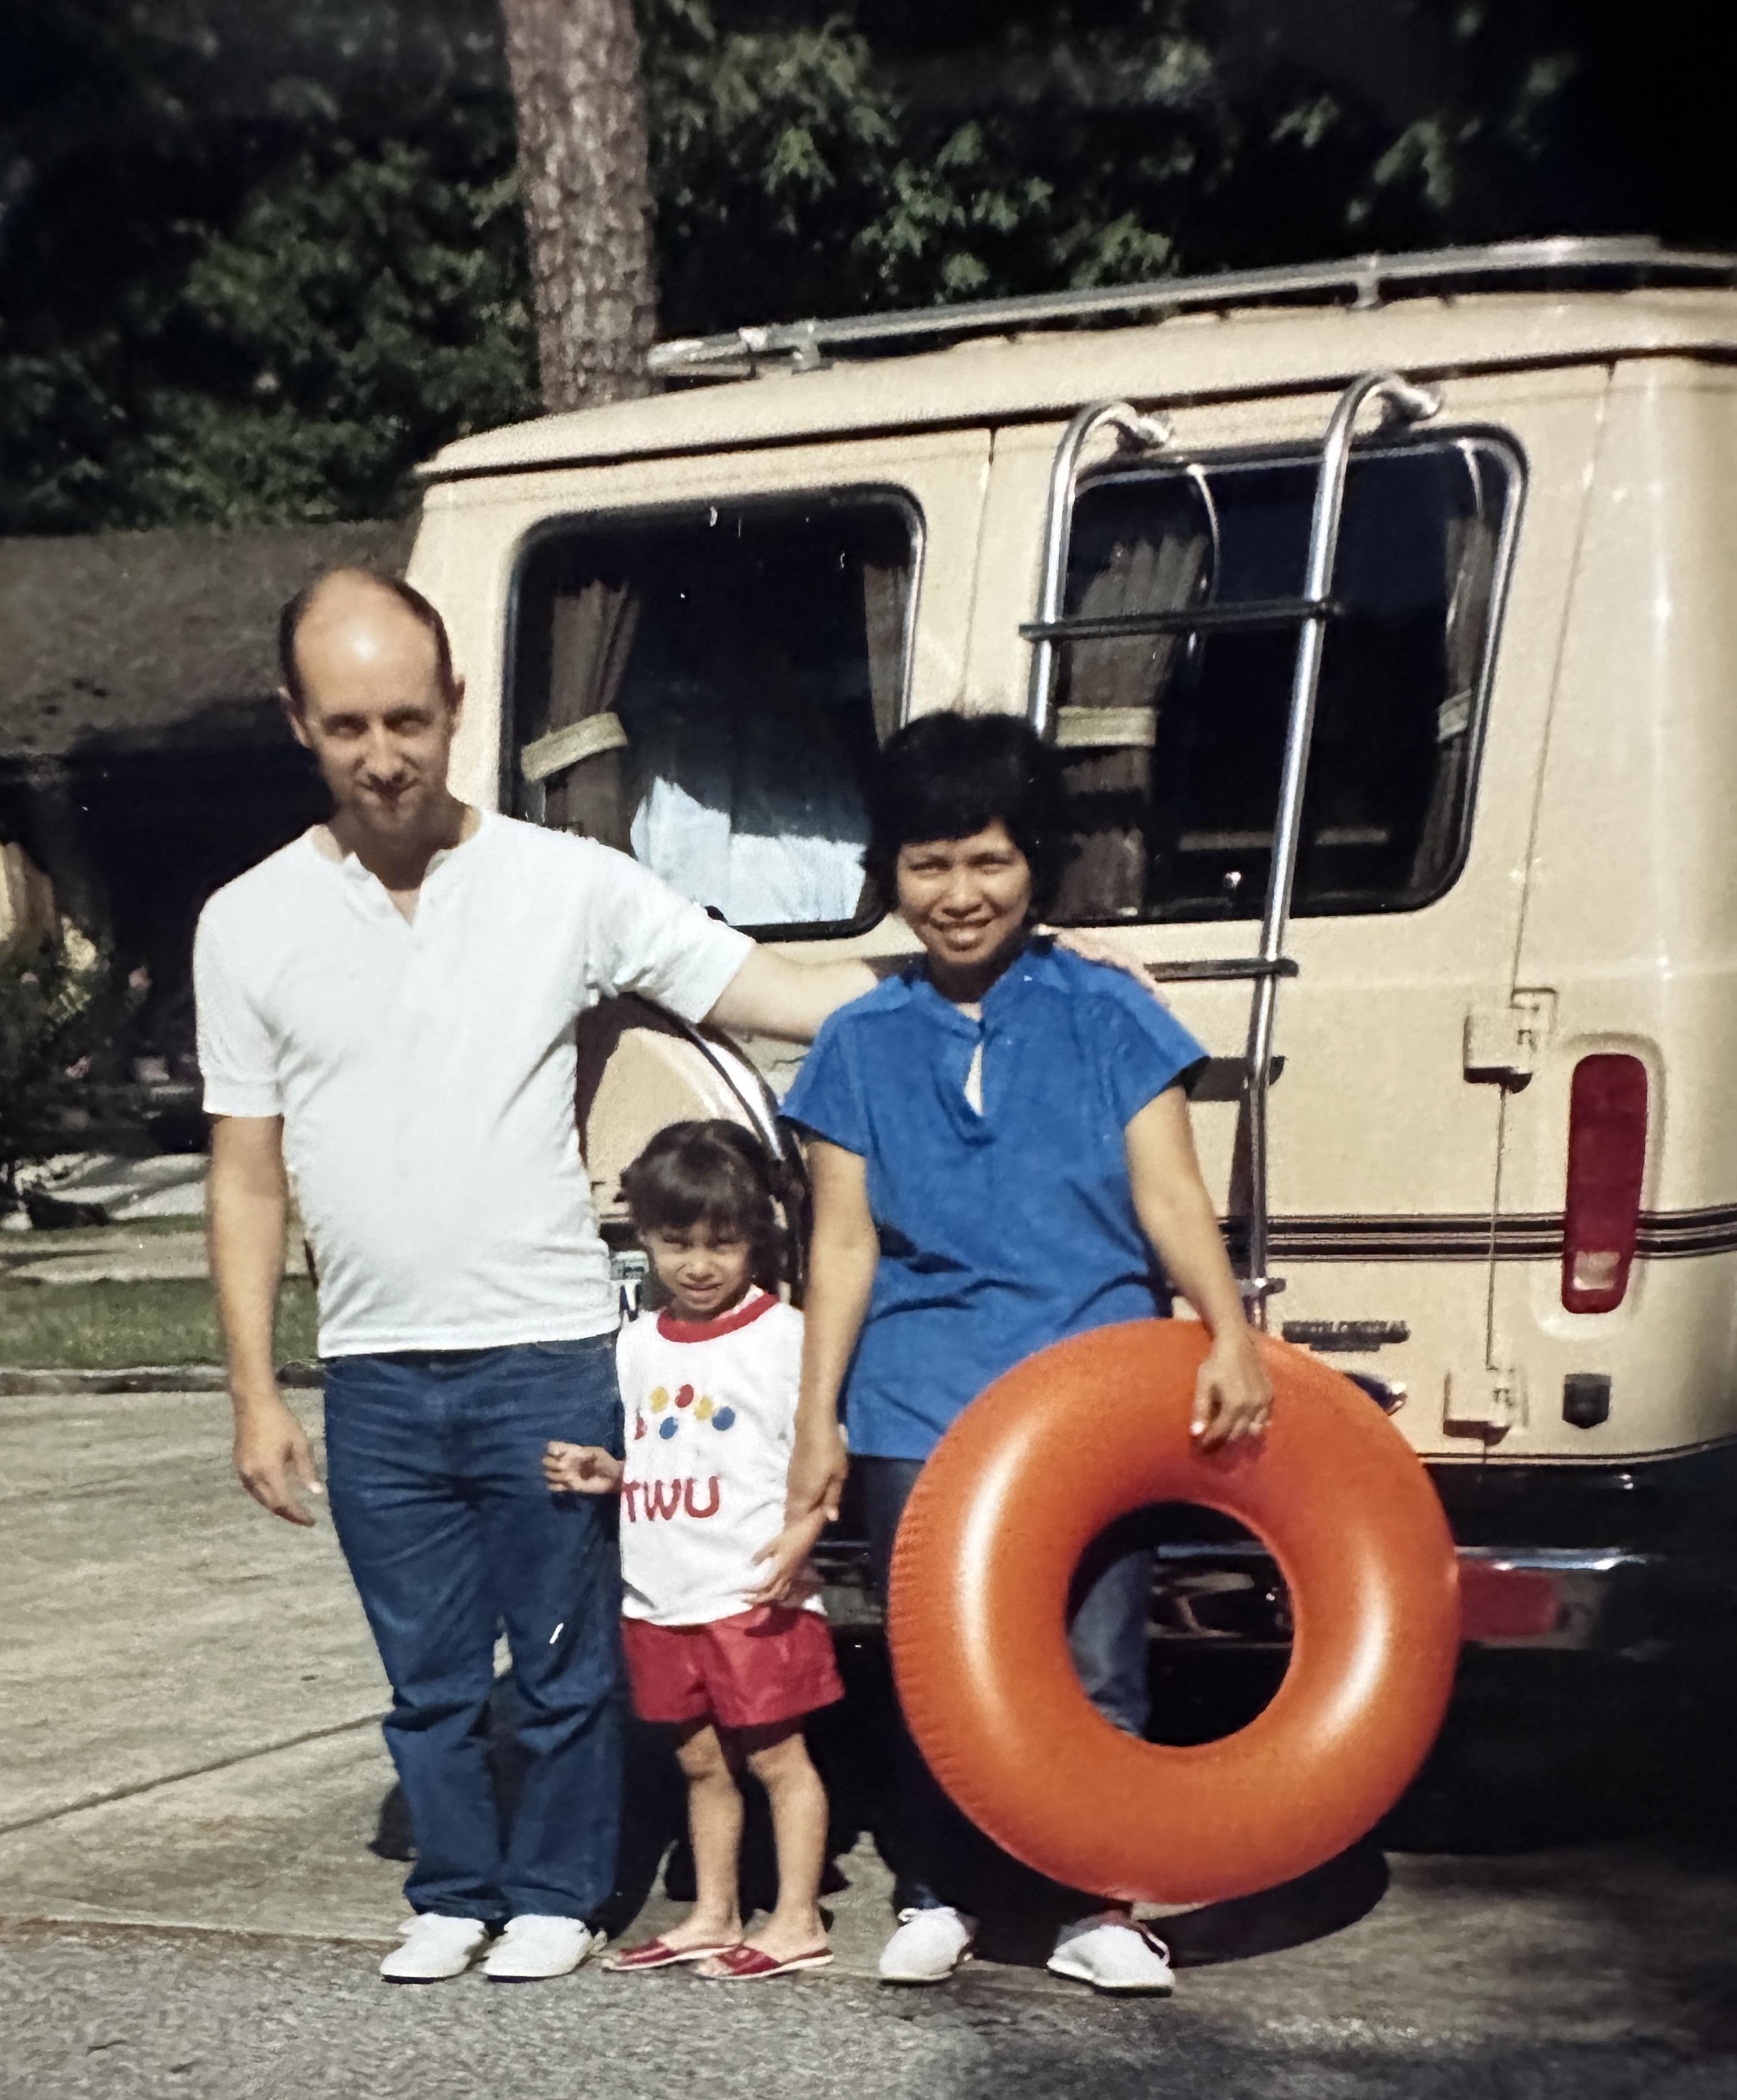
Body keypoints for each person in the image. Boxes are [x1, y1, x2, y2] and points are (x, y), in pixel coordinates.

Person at [195, 571, 905, 1984]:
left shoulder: (562, 882)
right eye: (347, 725)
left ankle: (559, 1898)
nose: (384, 753)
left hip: (545, 1351)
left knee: (572, 1663)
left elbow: (759, 987)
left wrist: (973, 972)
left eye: (409, 716)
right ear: (298, 723)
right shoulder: (247, 920)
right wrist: (255, 1390)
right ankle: (454, 1888)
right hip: (381, 1368)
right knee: (434, 1677)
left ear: (458, 706)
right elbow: (245, 1173)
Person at [780, 711, 1274, 1995]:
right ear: (889, 871)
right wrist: (815, 1416)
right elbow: (840, 1245)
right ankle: (939, 1888)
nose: (960, 894)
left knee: (1098, 1660)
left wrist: (1228, 1329)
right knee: (940, 1669)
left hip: (1093, 1393)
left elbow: (1171, 1194)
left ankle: (1094, 1900)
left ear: (1037, 861)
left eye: (989, 860)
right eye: (929, 863)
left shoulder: (1113, 1011)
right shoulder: (856, 1040)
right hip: (918, 1400)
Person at [543, 1121, 841, 1982]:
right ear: (644, 1239)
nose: (699, 1264)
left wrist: (803, 1537)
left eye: (722, 1243)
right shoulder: (638, 1344)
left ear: (756, 1238)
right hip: (662, 1594)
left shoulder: (786, 1335)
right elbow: (672, 1456)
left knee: (780, 1760)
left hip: (751, 1589)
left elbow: (826, 1455)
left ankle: (796, 1918)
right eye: (676, 1244)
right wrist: (613, 1473)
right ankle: (714, 1910)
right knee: (701, 1761)